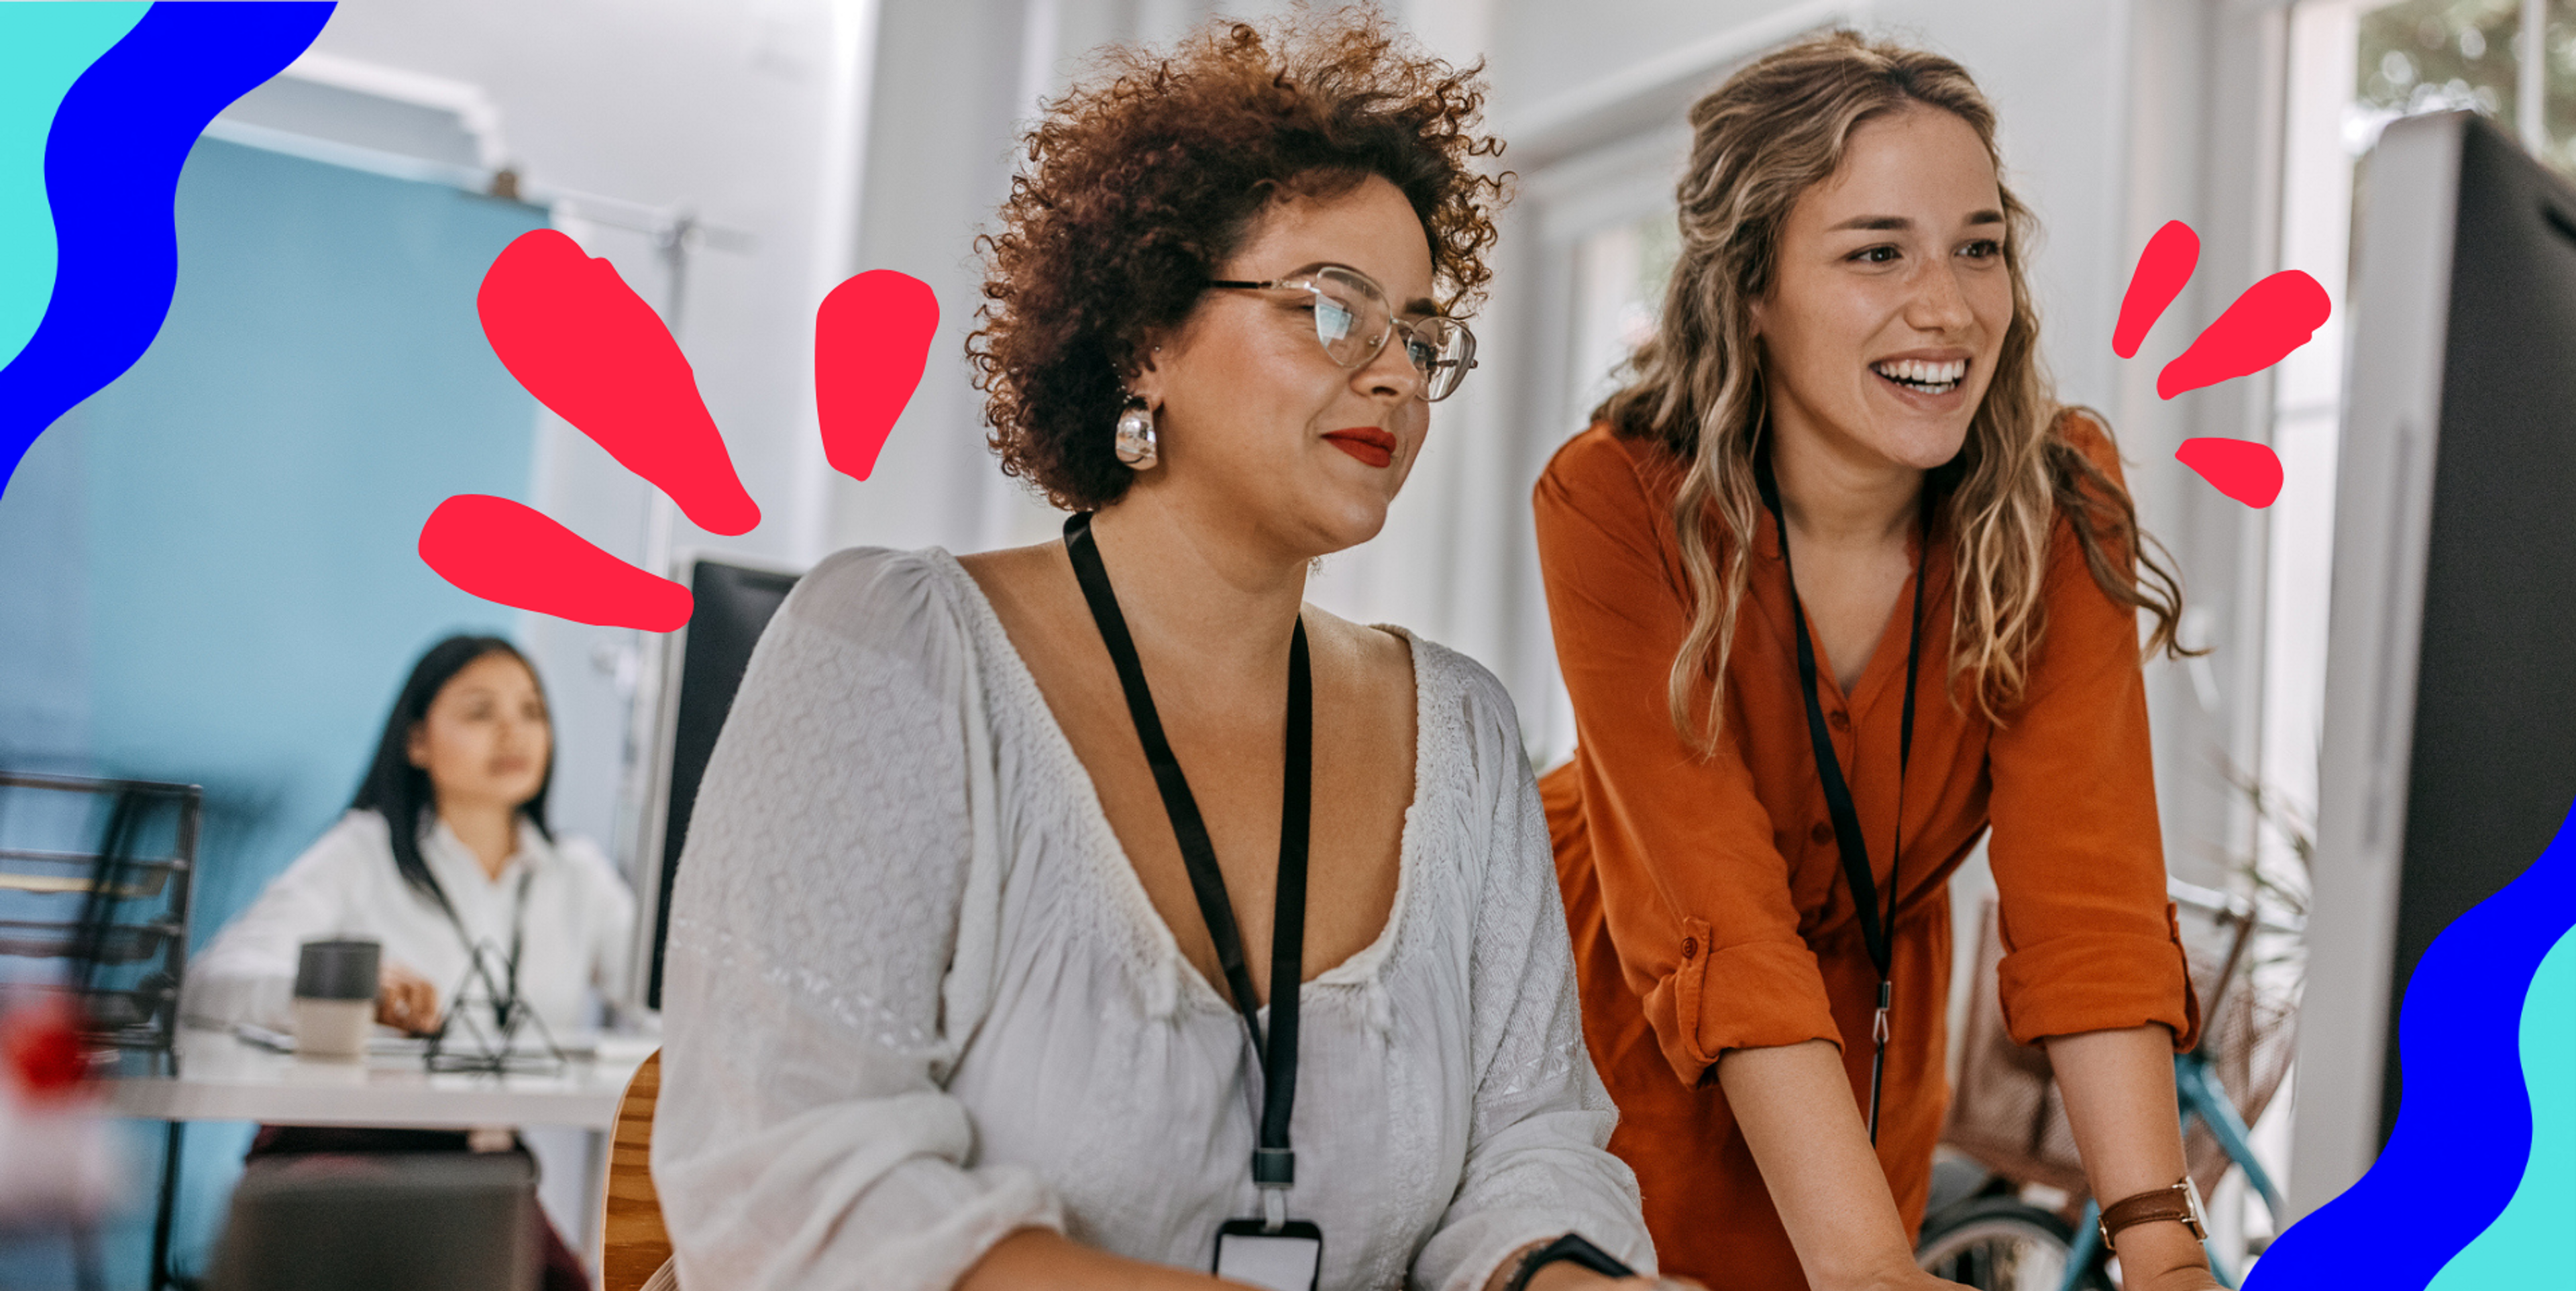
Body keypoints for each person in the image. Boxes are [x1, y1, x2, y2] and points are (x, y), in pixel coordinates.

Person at [652, 9, 1690, 1291]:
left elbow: (1531, 1144)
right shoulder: (894, 652)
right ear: (1145, 334)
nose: (1396, 377)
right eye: (1331, 308)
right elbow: (798, 1191)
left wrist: (1561, 1277)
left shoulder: (1462, 736)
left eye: (1422, 336)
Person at [1533, 31, 2224, 1291]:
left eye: (1977, 244)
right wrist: (1864, 1266)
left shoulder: (2056, 499)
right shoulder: (1615, 499)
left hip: (1864, 1064)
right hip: (1611, 1039)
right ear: (1751, 284)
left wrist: (2161, 1241)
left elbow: (2091, 891)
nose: (1948, 305)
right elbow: (1719, 912)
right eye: (1875, 252)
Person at [184, 633, 634, 1291]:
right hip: (337, 1152)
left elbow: (671, 1000)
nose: (513, 731)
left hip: (485, 1166)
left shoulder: (578, 877)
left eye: (532, 711)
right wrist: (343, 989)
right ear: (417, 740)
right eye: (481, 711)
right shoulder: (360, 853)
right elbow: (210, 984)